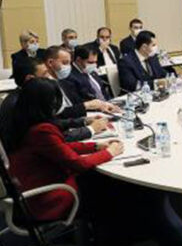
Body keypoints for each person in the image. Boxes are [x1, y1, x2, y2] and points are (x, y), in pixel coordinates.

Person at [5, 78, 124, 222]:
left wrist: (95, 146)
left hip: (30, 187)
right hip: (47, 199)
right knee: (106, 183)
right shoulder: (41, 131)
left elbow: (58, 147)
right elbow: (78, 164)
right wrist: (109, 153)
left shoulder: (22, 121)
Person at [0, 58, 108, 147]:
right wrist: (90, 129)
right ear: (30, 79)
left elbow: (52, 122)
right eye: (45, 73)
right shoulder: (20, 103)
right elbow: (50, 138)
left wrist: (83, 121)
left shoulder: (29, 95)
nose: (49, 76)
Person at [44, 46, 117, 117]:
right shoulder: (46, 85)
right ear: (50, 62)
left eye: (69, 63)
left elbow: (71, 108)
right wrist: (87, 109)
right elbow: (59, 114)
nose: (68, 67)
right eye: (65, 63)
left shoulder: (59, 80)